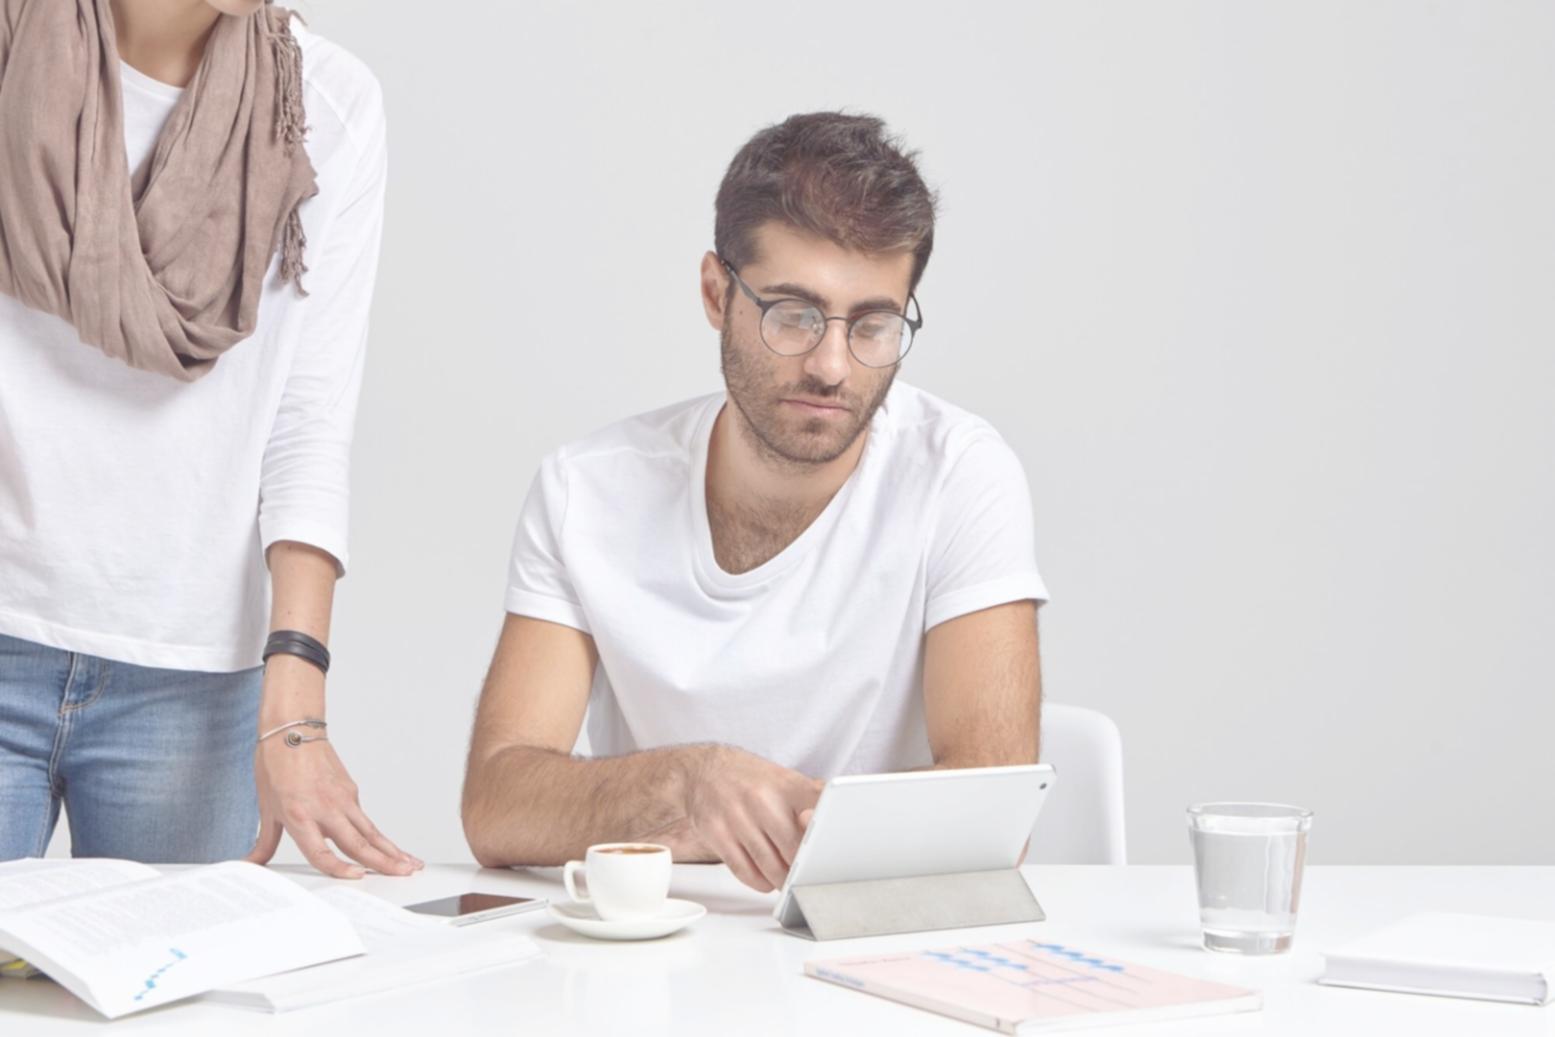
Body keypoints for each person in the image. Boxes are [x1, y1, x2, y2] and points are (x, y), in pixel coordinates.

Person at [462, 112, 1047, 892]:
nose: (832, 366)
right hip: (650, 953)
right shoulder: (587, 489)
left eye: (872, 323)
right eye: (793, 314)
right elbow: (496, 803)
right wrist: (688, 784)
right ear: (715, 292)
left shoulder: (959, 474)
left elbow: (987, 814)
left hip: (870, 937)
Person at [0, 0, 419, 878]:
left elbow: (306, 423)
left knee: (185, 1010)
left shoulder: (323, 103)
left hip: (190, 684)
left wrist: (296, 704)